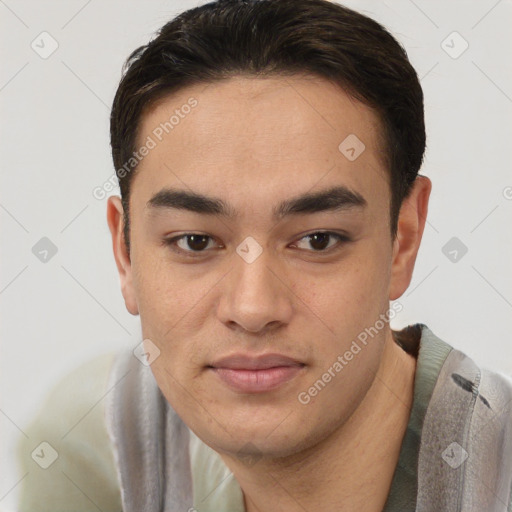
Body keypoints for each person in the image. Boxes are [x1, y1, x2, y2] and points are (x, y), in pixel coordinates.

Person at [17, 0, 512, 510]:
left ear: (402, 239)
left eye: (318, 240)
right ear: (124, 253)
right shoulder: (96, 443)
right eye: (195, 242)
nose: (253, 309)